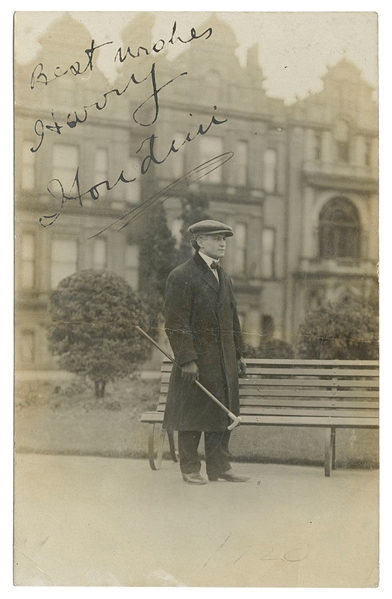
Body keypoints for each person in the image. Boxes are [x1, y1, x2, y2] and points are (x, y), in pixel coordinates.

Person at [163, 219, 250, 484]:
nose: (223, 243)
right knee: (193, 412)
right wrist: (187, 359)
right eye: (216, 238)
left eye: (224, 239)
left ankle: (219, 465)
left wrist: (238, 354)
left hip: (224, 360)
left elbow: (232, 320)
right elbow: (176, 323)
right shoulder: (182, 275)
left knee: (222, 411)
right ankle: (190, 467)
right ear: (200, 242)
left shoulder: (224, 278)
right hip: (198, 361)